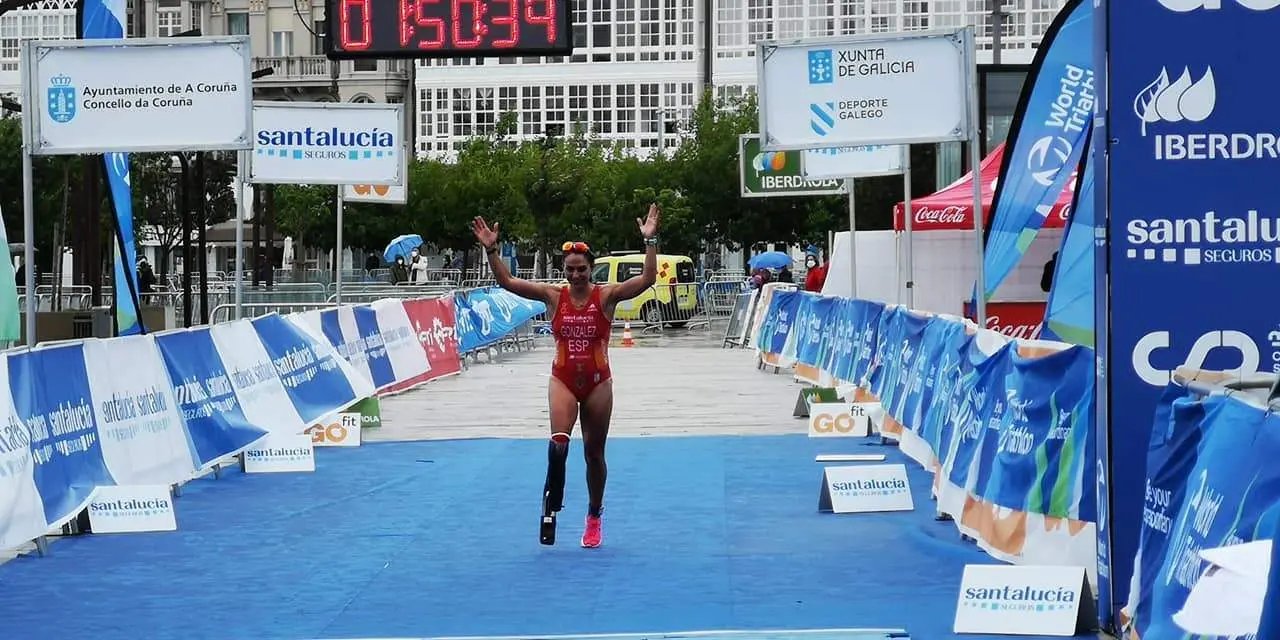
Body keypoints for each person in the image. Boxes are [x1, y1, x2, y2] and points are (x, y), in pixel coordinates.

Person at [471, 204, 661, 548]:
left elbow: (648, 279)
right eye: (570, 270)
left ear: (592, 270)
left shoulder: (607, 296)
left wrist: (651, 241)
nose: (576, 276)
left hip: (598, 382)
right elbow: (507, 281)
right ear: (564, 270)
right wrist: (491, 249)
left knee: (593, 454)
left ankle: (594, 514)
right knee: (559, 442)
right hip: (562, 379)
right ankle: (551, 502)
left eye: (582, 270)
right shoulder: (552, 295)